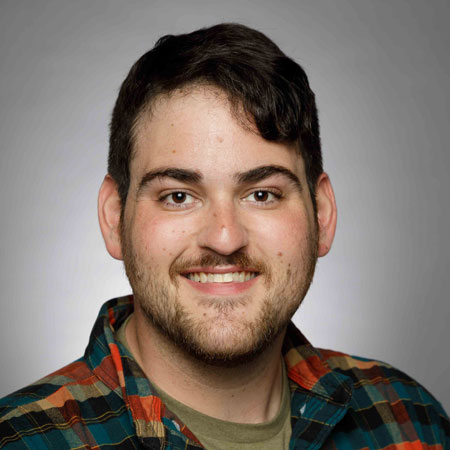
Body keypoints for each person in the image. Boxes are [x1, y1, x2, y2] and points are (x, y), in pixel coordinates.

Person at [0, 23, 448, 450]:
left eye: (262, 194)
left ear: (322, 215)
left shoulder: (408, 420)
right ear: (114, 218)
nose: (225, 238)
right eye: (178, 196)